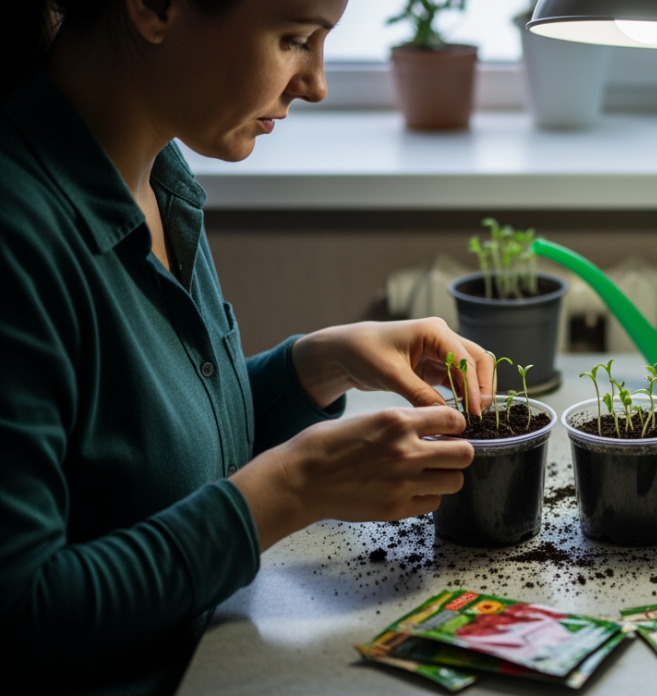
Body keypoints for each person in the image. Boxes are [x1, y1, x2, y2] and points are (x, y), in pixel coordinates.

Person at [0, 1, 497, 693]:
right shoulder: (18, 233)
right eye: (296, 39)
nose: (317, 84)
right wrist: (289, 489)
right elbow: (23, 620)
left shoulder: (159, 176)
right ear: (153, 7)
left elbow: (155, 462)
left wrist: (318, 365)